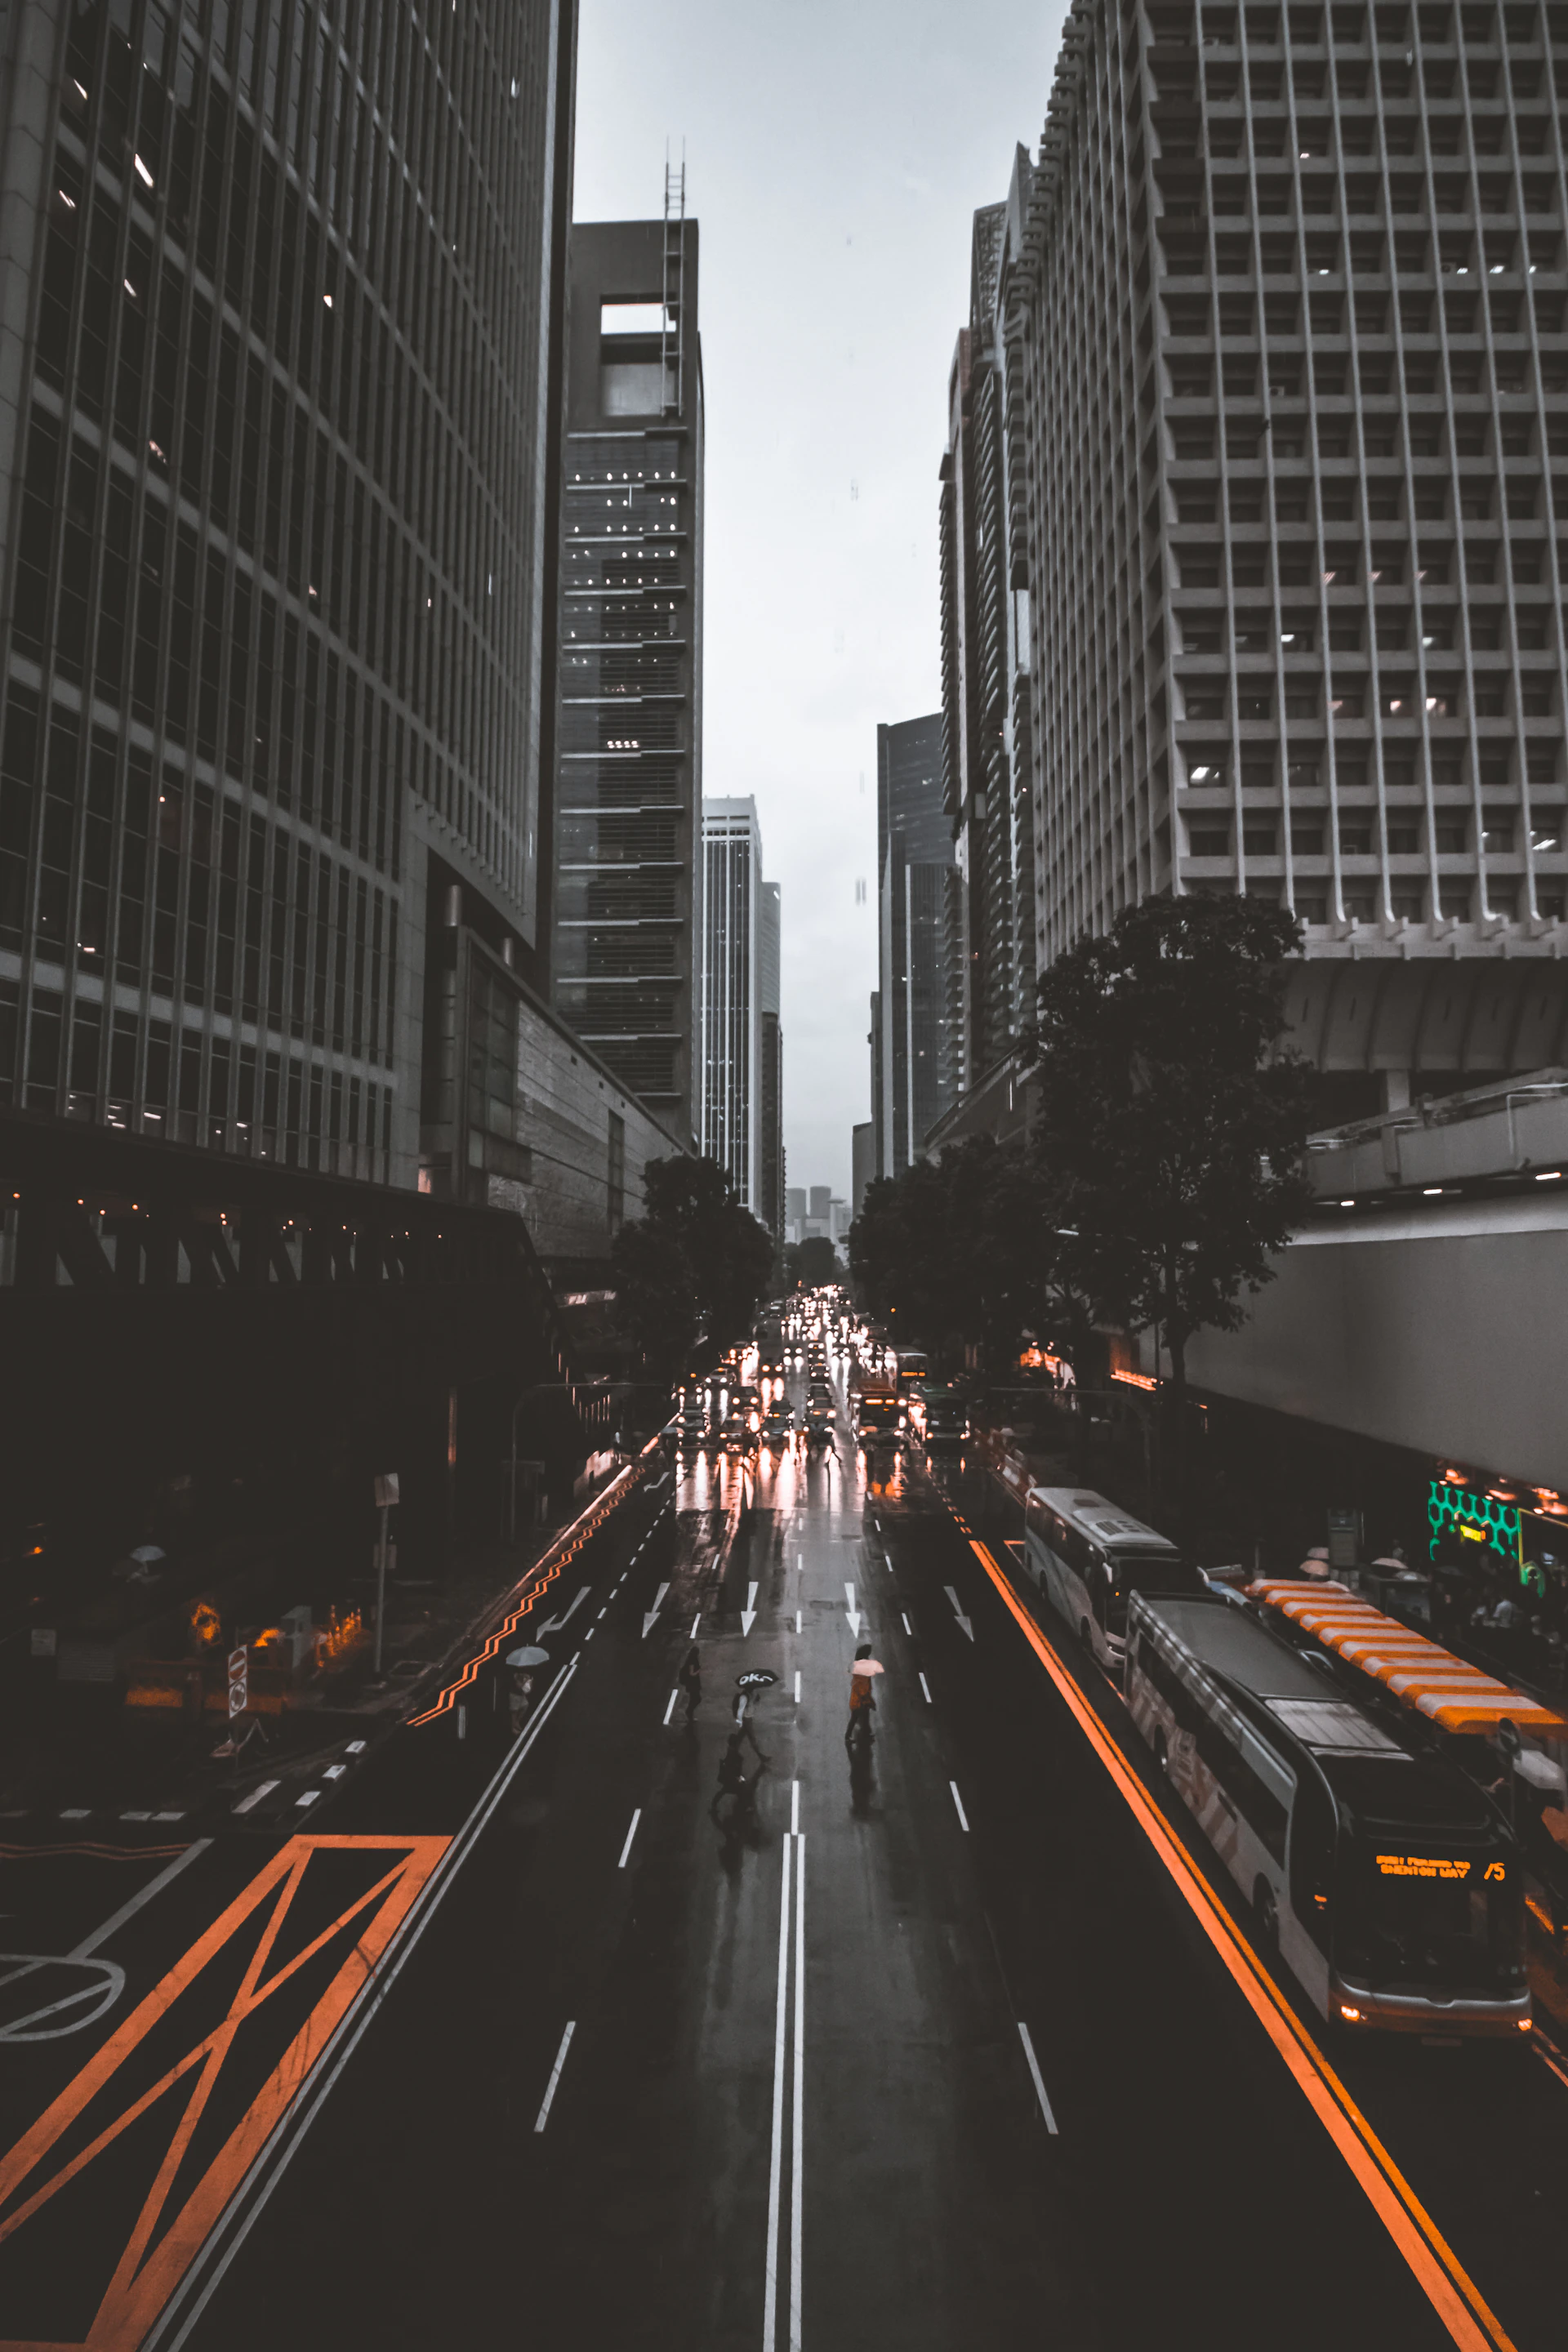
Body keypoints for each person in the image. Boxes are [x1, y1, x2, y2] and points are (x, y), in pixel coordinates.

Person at [710, 1731, 755, 1823]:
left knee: (724, 1791)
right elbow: (736, 1768)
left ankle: (713, 1805)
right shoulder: (734, 1754)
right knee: (743, 1789)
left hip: (728, 1778)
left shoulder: (729, 1750)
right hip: (732, 1779)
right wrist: (740, 1777)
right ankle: (746, 1807)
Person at [844, 1642, 883, 1744]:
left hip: (862, 1699)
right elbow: (860, 1688)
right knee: (855, 1718)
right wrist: (867, 1699)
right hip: (859, 1701)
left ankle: (865, 1735)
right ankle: (848, 1737)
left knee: (864, 1718)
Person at [507, 1669, 535, 1738]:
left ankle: (517, 1722)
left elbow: (528, 1690)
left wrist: (530, 1682)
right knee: (514, 1713)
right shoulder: (516, 1675)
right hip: (515, 1696)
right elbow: (518, 1686)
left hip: (521, 1695)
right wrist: (525, 1681)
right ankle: (513, 1728)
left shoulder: (526, 1675)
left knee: (525, 1705)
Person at [679, 1646, 702, 1724]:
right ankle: (689, 1712)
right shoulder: (692, 1661)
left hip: (693, 1683)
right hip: (693, 1684)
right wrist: (698, 1671)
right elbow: (692, 1673)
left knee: (695, 1699)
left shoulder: (691, 1659)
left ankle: (690, 1716)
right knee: (696, 1699)